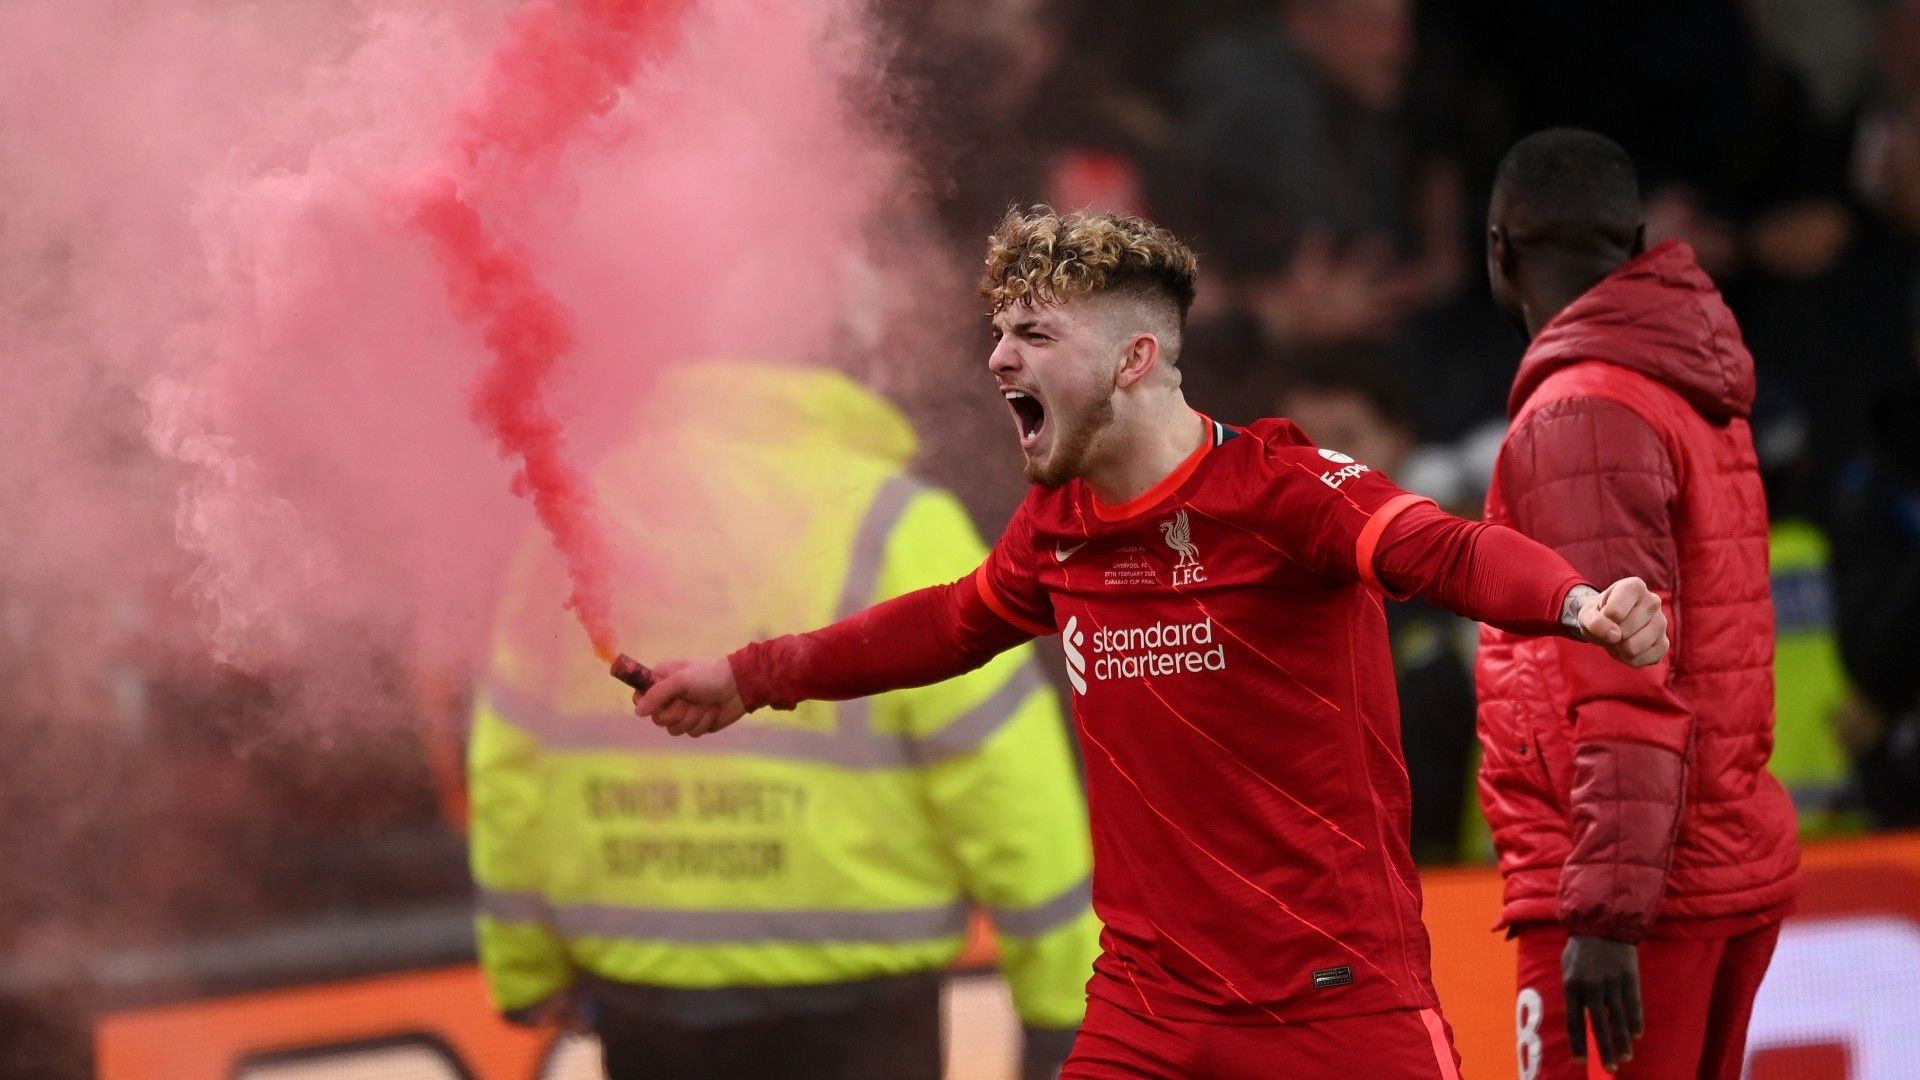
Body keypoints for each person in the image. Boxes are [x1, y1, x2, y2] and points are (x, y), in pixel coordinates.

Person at [633, 207, 1670, 1079]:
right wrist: (747, 674)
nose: (999, 356)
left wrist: (1579, 604)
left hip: (1333, 1004)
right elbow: (948, 624)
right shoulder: (1059, 525)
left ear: (1133, 359)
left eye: (1034, 334)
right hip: (1148, 1011)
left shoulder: (1280, 492)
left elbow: (1443, 550)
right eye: (1000, 331)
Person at [468, 360, 1100, 1080]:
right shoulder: (895, 524)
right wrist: (1067, 1010)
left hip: (649, 1001)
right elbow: (1006, 779)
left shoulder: (576, 522)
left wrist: (525, 971)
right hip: (863, 1010)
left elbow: (508, 766)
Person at [1478, 128, 1801, 1078]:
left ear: (1500, 246)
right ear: (1634, 239)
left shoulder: (1582, 409)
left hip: (1629, 898)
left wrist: (1606, 913)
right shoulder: (1688, 387)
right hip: (1712, 862)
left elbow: (1627, 675)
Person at [1278, 360, 1480, 864]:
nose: (1323, 463)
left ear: (1400, 442)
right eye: (1303, 445)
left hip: (1464, 892)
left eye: (1346, 439)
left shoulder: (1464, 592)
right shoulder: (1248, 595)